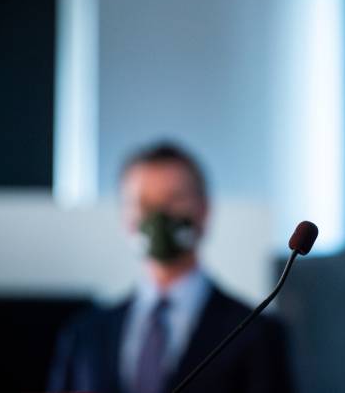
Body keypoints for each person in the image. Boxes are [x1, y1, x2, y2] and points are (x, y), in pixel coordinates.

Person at [48, 142, 293, 393]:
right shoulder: (85, 336)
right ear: (125, 215)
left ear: (203, 210)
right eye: (143, 202)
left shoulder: (255, 334)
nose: (158, 215)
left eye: (174, 200)